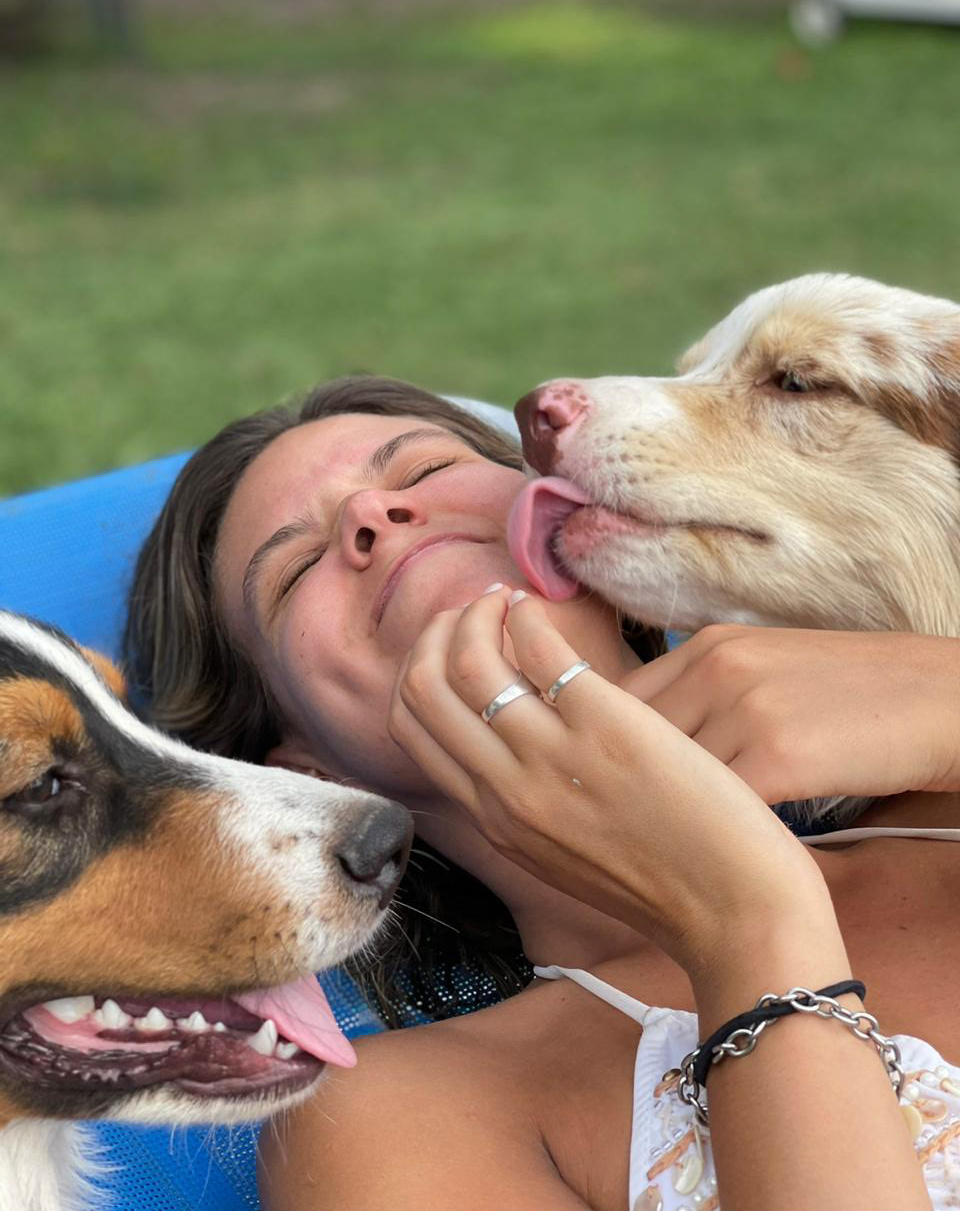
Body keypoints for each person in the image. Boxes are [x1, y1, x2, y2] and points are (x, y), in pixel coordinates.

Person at [124, 375, 960, 1211]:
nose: (369, 515)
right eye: (298, 566)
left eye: (424, 471)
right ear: (311, 775)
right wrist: (748, 923)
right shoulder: (404, 1123)